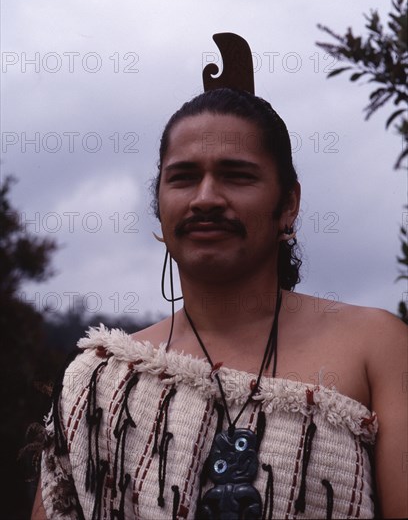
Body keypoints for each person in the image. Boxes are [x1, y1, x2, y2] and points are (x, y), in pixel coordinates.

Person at [32, 48, 407, 519]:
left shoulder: (376, 347)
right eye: (183, 178)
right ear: (159, 205)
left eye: (237, 175)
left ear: (288, 203)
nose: (206, 198)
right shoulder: (99, 382)